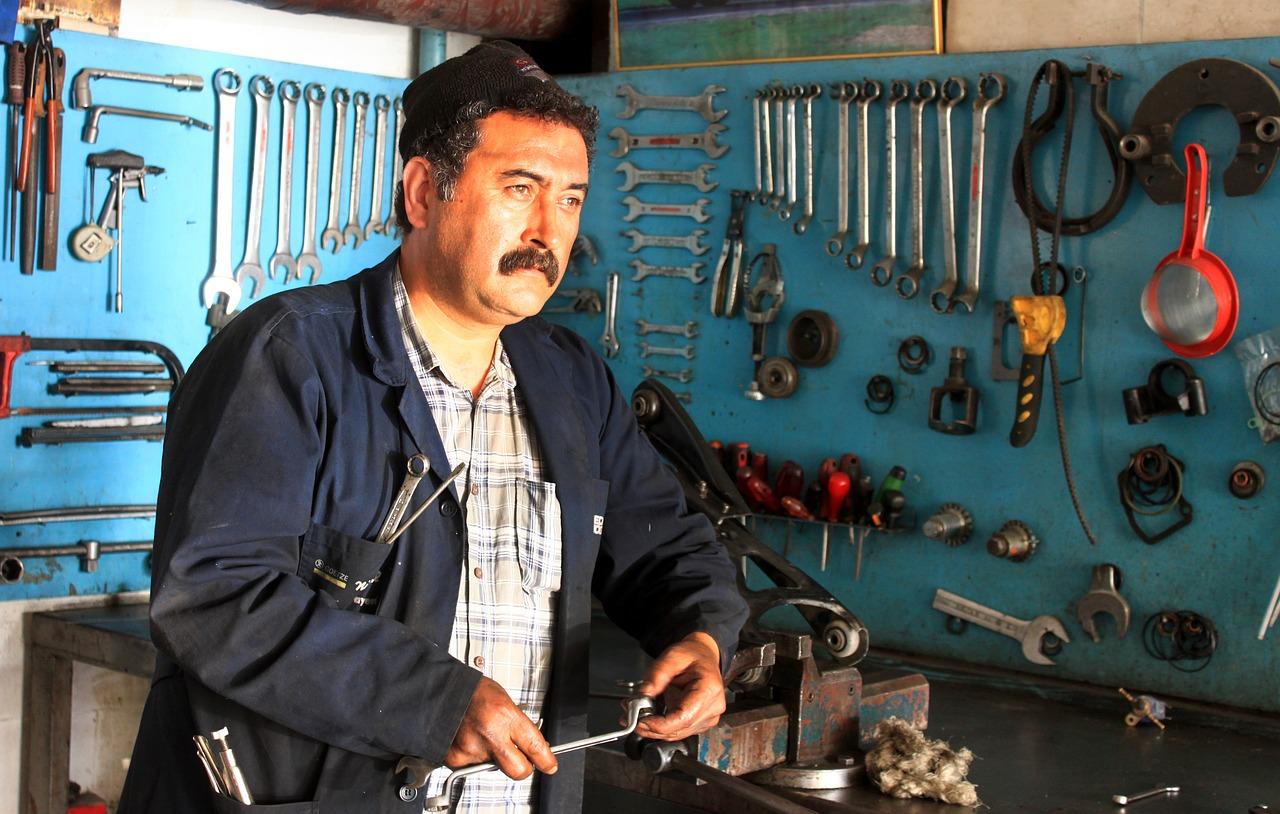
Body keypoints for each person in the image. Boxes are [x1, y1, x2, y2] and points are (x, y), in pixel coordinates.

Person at [117, 40, 748, 814]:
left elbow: (667, 546)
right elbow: (213, 596)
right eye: (521, 188)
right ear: (423, 193)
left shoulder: (569, 378)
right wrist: (432, 700)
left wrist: (702, 638)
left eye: (572, 198)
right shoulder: (288, 357)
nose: (551, 231)